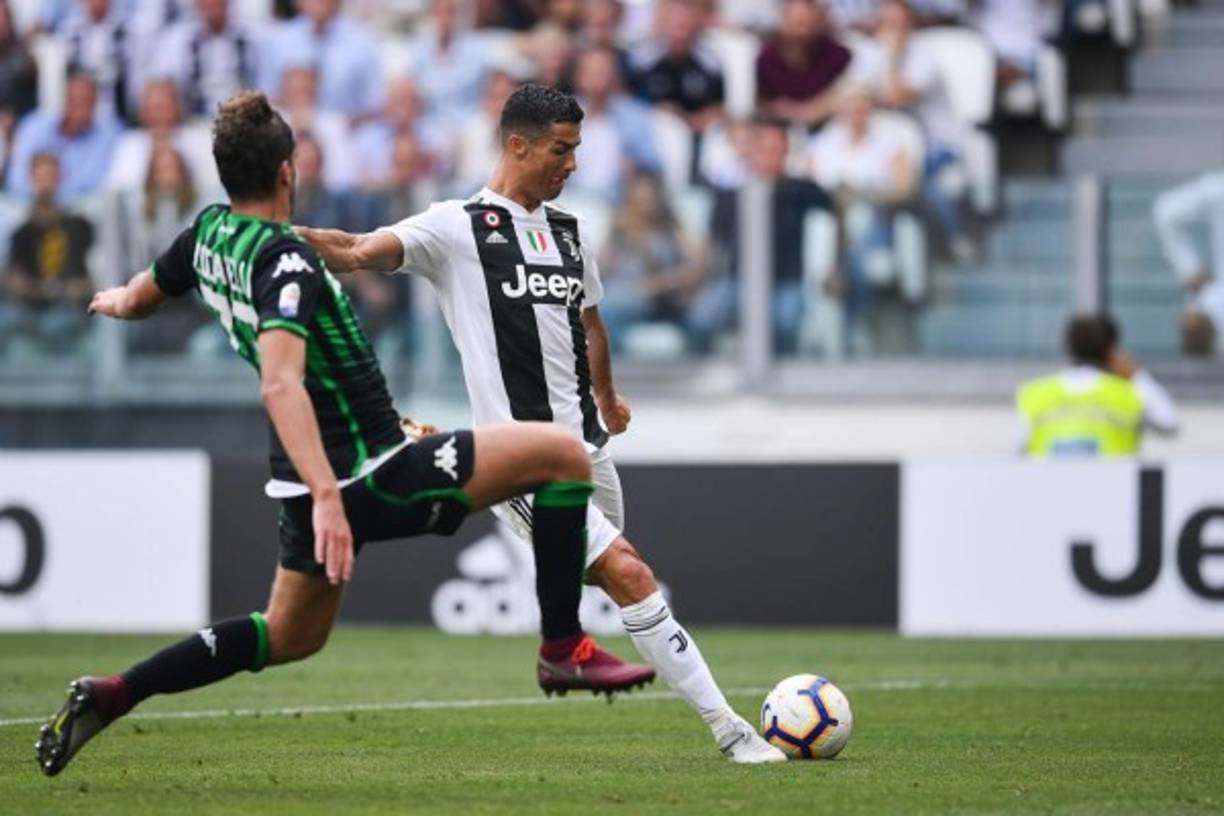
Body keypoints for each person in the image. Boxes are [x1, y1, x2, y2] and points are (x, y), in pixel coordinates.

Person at [34, 89, 653, 778]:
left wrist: (117, 299)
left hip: (298, 478)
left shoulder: (208, 232)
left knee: (289, 635)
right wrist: (332, 498)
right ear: (288, 174)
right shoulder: (287, 265)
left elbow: (151, 286)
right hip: (365, 472)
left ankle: (117, 692)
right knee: (564, 457)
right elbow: (280, 382)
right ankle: (562, 646)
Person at [299, 84, 785, 764]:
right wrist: (270, 241)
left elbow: (589, 325)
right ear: (517, 145)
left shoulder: (568, 232)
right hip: (524, 457)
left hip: (588, 449)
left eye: (578, 148)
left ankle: (456, 477)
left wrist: (609, 400)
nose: (573, 165)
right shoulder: (454, 225)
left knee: (608, 573)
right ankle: (733, 733)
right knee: (629, 572)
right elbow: (353, 249)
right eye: (562, 149)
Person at [1016, 314, 1180, 457]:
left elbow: (1017, 453)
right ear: (1111, 351)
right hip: (1116, 489)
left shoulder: (1035, 394)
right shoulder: (1129, 393)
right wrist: (1135, 375)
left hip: (1051, 490)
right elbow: (1170, 424)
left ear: (1068, 347)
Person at [0, 152, 94, 355]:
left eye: (50, 176)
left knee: (57, 324)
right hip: (30, 311)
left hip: (70, 309)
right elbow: (15, 281)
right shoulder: (21, 233)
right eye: (40, 177)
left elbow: (90, 279)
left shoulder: (79, 226)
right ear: (31, 180)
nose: (45, 184)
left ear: (60, 178)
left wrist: (65, 289)